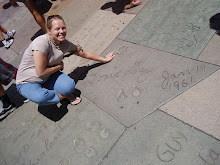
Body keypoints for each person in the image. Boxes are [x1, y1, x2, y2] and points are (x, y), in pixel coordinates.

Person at [16, 15, 115, 106]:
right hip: (28, 81)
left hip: (49, 75)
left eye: (63, 28)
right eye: (57, 29)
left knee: (69, 87)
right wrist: (59, 67)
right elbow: (40, 72)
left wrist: (104, 59)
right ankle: (63, 96)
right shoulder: (41, 43)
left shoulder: (64, 44)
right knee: (40, 97)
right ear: (49, 31)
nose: (61, 31)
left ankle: (59, 94)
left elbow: (84, 53)